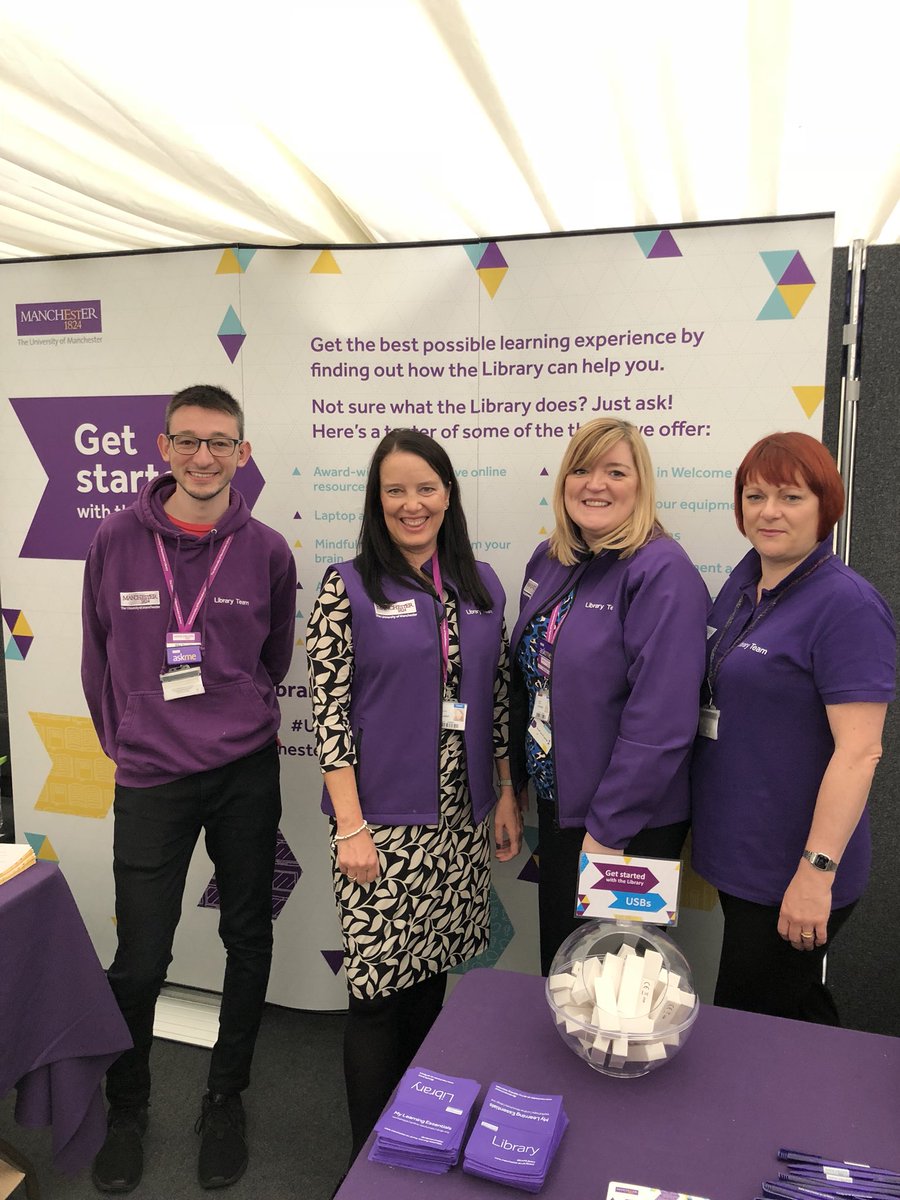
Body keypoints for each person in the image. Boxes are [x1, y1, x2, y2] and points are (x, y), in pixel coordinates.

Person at [81, 384, 296, 1193]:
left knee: (248, 937)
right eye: (189, 440)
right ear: (162, 446)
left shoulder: (269, 549)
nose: (204, 456)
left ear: (244, 453)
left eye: (221, 443)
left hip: (243, 771)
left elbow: (271, 656)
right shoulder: (114, 539)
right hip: (150, 777)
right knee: (140, 958)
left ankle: (224, 1098)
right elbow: (95, 654)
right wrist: (130, 737)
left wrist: (233, 714)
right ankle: (127, 1104)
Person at [306, 428, 521, 1166]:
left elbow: (494, 699)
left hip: (458, 824)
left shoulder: (482, 584)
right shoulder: (349, 584)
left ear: (449, 495)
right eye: (395, 489)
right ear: (377, 500)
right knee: (375, 998)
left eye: (425, 487)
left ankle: (418, 1134)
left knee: (430, 980)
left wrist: (501, 793)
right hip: (381, 828)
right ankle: (369, 1156)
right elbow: (327, 713)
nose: (411, 503)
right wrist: (350, 826)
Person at [691, 431, 895, 1024]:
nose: (769, 512)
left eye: (790, 497)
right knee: (792, 1008)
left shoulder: (848, 606)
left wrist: (815, 874)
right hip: (738, 853)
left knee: (747, 1025)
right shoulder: (744, 581)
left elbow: (861, 752)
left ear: (825, 506)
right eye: (755, 496)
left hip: (793, 867)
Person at [509, 417, 709, 974]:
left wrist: (606, 832)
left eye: (614, 471)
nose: (594, 484)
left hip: (629, 827)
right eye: (581, 469)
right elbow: (529, 679)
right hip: (562, 809)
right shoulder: (550, 560)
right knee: (567, 972)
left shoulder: (662, 571)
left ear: (640, 484)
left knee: (619, 987)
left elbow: (662, 721)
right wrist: (513, 785)